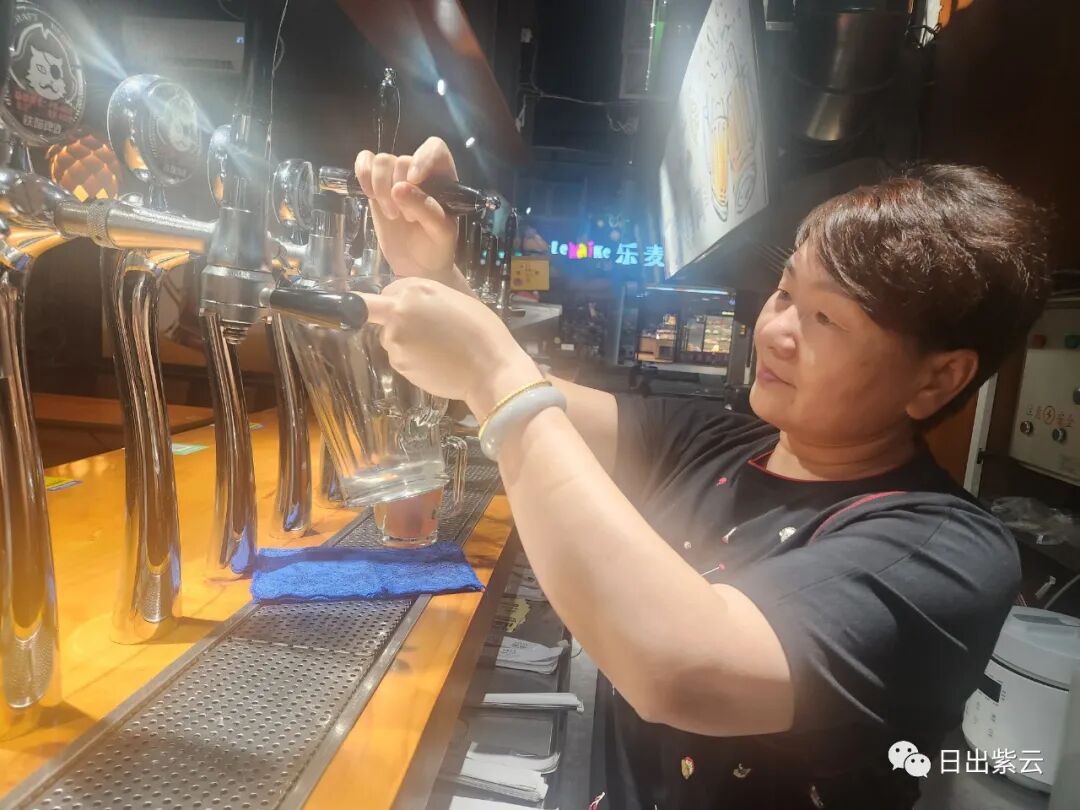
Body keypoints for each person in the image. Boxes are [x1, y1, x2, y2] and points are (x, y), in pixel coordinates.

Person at [353, 139, 1051, 809]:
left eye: (825, 317)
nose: (774, 331)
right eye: (784, 292)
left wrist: (490, 369)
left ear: (936, 380)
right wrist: (431, 275)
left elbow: (679, 670)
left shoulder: (945, 551)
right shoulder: (721, 441)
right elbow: (533, 401)